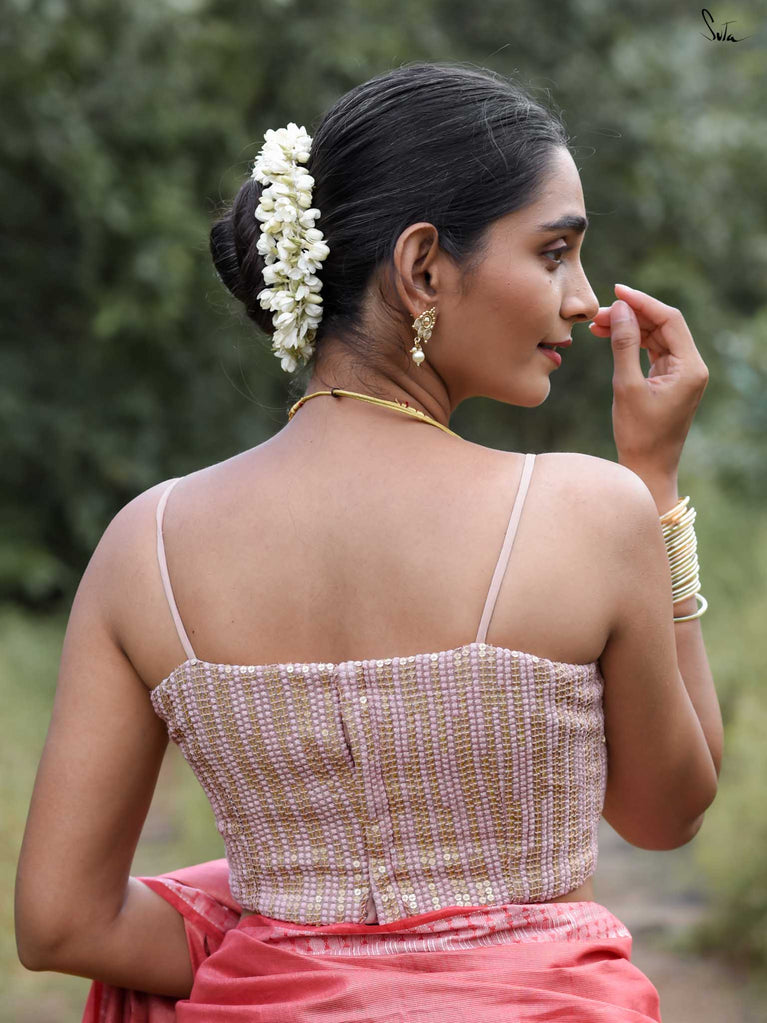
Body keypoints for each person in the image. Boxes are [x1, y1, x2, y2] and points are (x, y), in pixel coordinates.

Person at [15, 61, 722, 1021]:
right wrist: (657, 486)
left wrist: (307, 958)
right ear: (423, 265)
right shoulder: (589, 511)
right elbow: (668, 809)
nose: (583, 300)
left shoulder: (149, 544)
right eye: (554, 252)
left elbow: (61, 922)